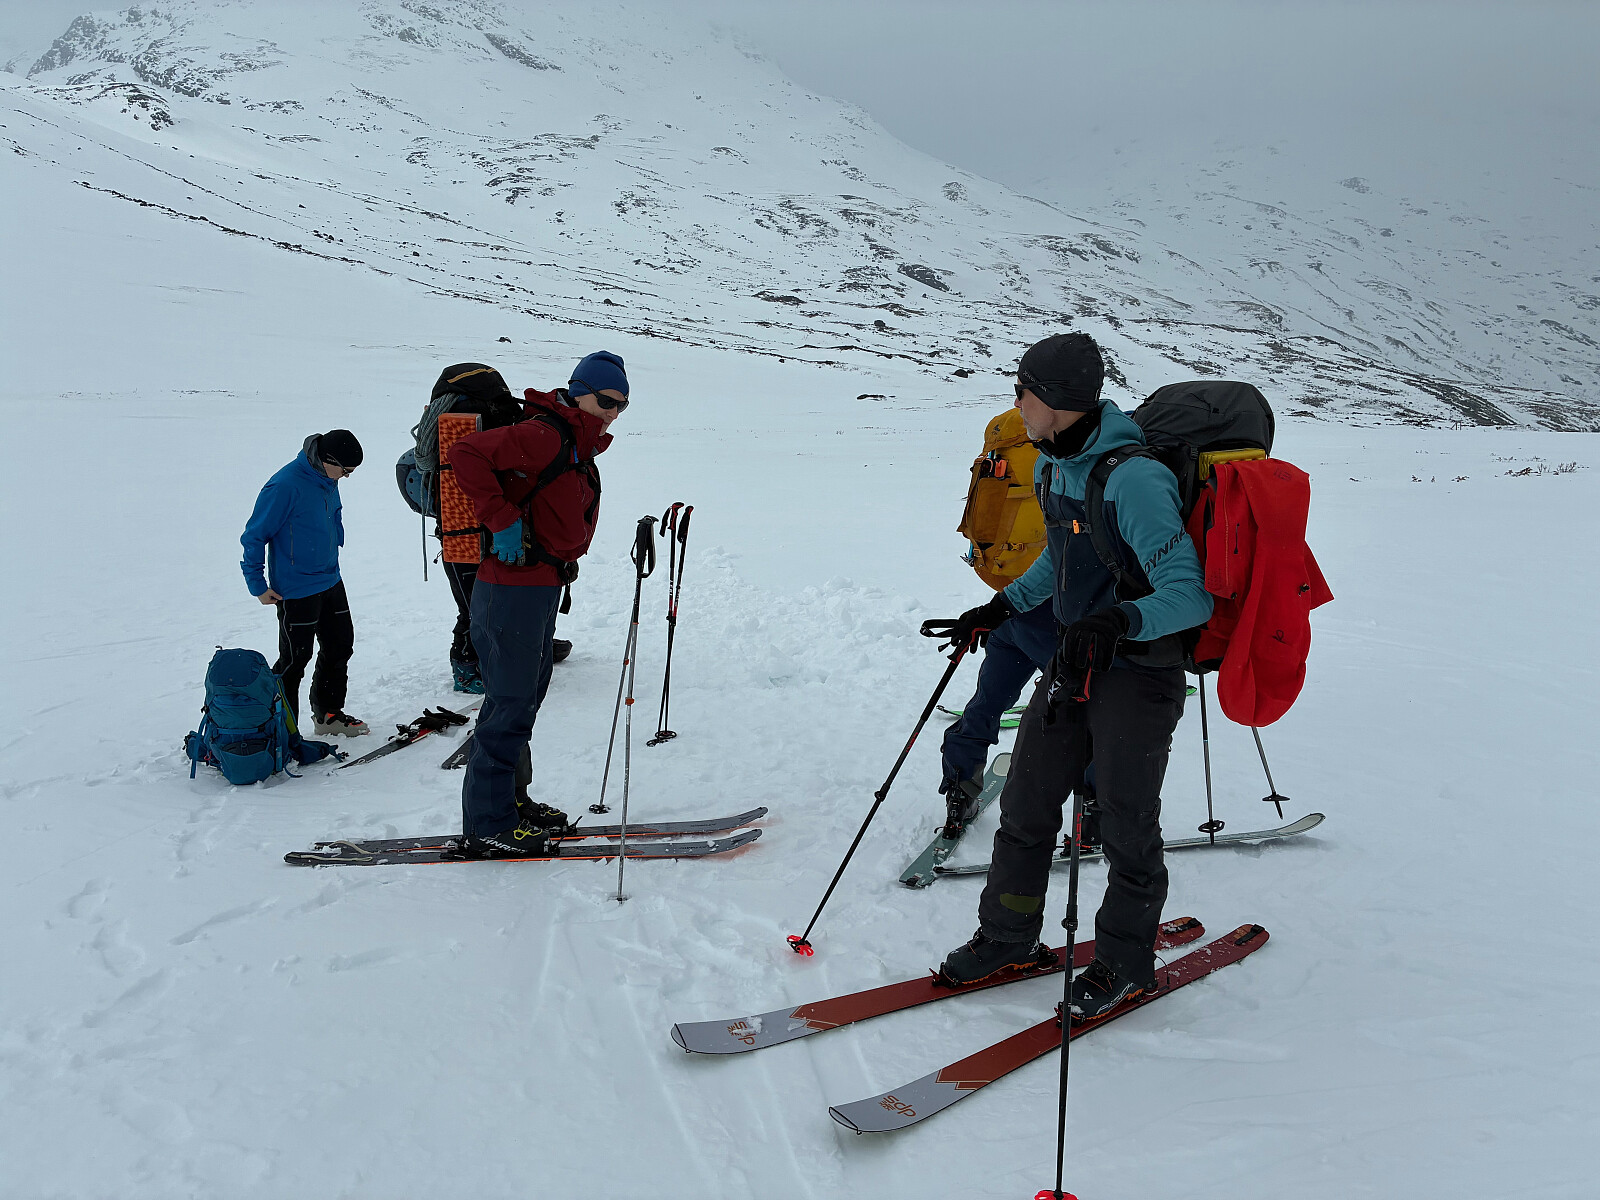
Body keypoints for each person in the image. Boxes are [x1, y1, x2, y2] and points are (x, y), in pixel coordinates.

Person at [934, 332, 1212, 1022]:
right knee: (1026, 805)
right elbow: (1058, 563)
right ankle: (1008, 936)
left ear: (1054, 400)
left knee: (1125, 826)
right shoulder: (1054, 466)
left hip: (1138, 676)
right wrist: (1001, 607)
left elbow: (1189, 594)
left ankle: (1124, 964)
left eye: (1021, 392)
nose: (1016, 405)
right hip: (1073, 664)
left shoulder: (1133, 479)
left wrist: (1119, 621)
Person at [446, 351, 626, 857]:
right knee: (508, 705)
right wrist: (501, 520)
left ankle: (511, 802)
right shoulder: (544, 434)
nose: (613, 413)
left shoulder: (573, 441)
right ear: (580, 392)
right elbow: (466, 454)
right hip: (510, 589)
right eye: (606, 401)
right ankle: (488, 823)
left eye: (621, 405)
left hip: (538, 585)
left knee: (522, 701)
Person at [414, 364, 575, 695]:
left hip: (478, 525)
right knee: (476, 606)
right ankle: (466, 668)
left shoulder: (473, 423)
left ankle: (528, 644)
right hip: (465, 530)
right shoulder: (469, 428)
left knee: (494, 600)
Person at [240, 429, 370, 737]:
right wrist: (257, 584)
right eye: (346, 471)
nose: (346, 477)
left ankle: (328, 715)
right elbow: (254, 536)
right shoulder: (284, 486)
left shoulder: (327, 479)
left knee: (340, 647)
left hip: (330, 579)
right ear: (327, 460)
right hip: (295, 588)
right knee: (294, 661)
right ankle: (282, 732)